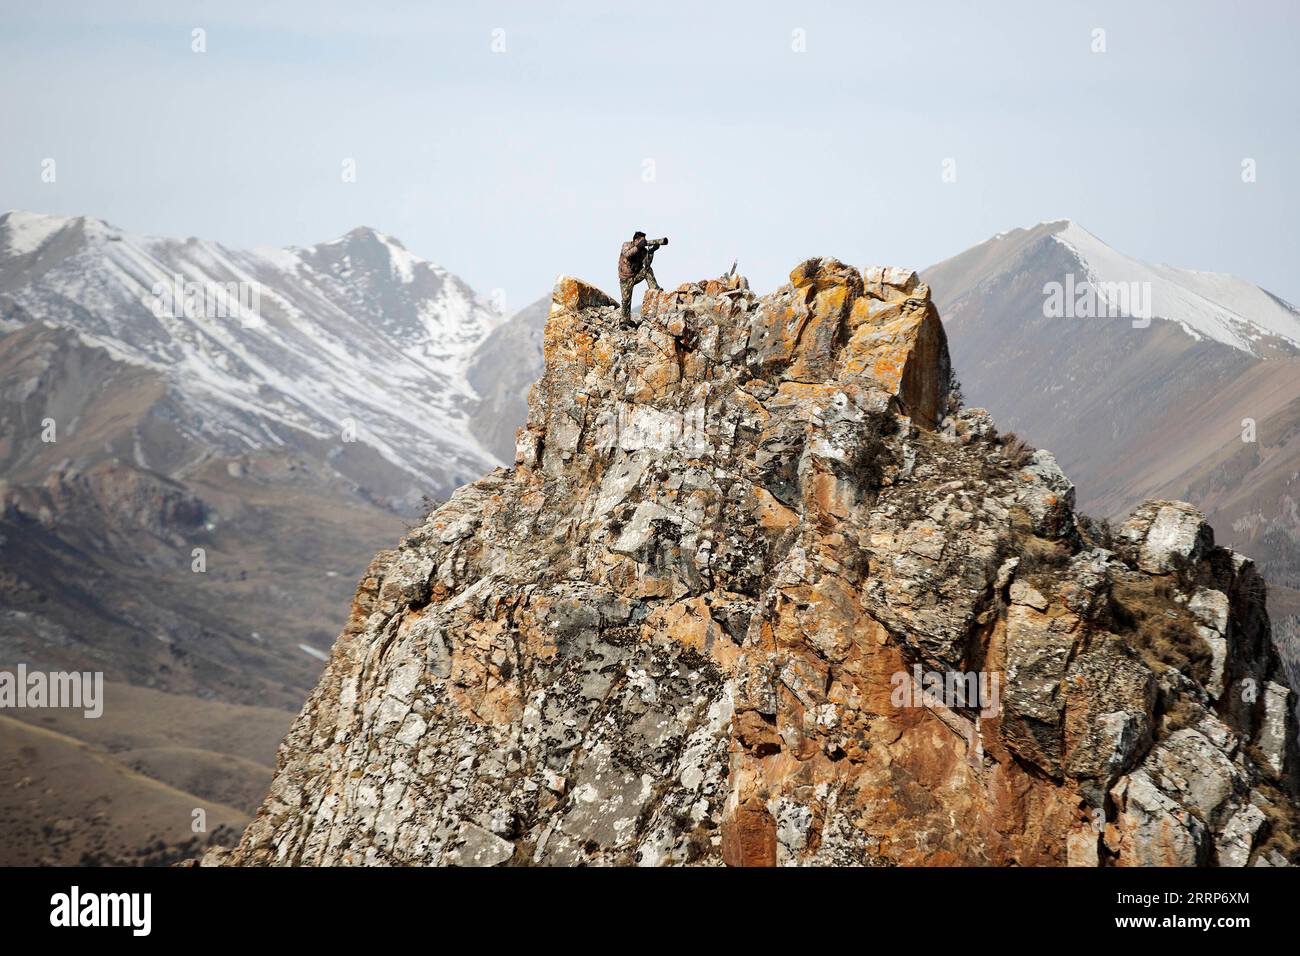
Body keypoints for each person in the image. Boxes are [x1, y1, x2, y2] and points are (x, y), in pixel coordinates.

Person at [618, 231, 668, 324]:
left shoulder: (642, 250)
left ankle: (654, 289)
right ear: (635, 240)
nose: (644, 242)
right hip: (625, 279)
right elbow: (627, 255)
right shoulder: (627, 245)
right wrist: (638, 247)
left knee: (647, 270)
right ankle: (625, 321)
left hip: (635, 275)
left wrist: (651, 251)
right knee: (626, 300)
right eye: (641, 241)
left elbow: (647, 264)